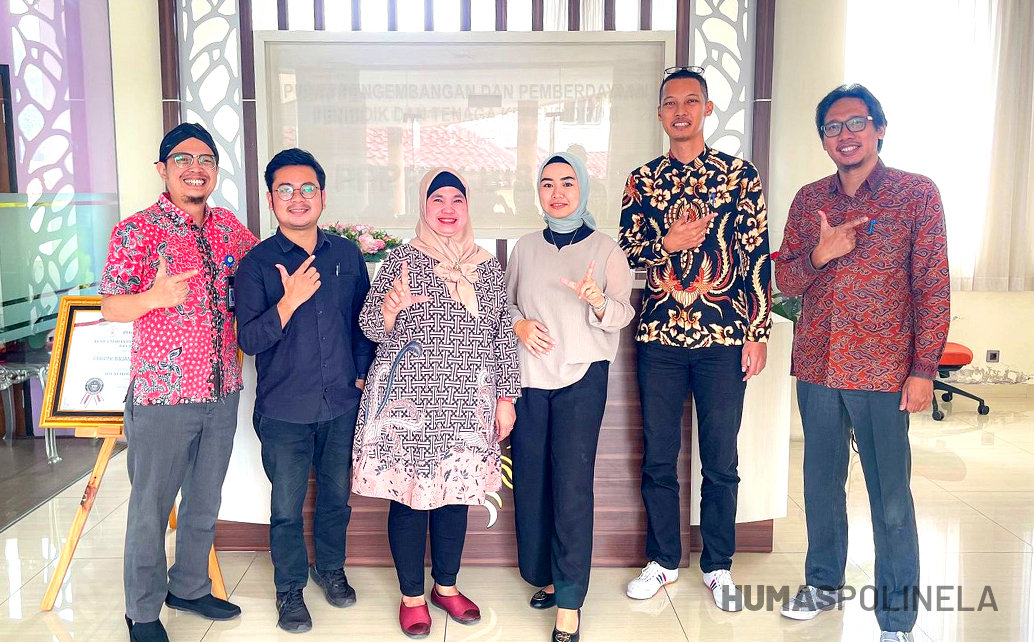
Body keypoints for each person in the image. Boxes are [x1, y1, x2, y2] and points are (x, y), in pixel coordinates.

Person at [774, 84, 949, 642]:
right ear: (823, 139)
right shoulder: (810, 201)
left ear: (879, 128)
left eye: (855, 123)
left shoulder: (916, 194)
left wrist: (924, 369)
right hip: (819, 366)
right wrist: (820, 253)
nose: (844, 136)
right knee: (821, 487)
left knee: (890, 497)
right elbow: (784, 280)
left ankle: (896, 618)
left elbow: (932, 287)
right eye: (832, 127)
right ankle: (823, 584)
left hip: (884, 369)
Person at [617, 67, 772, 611]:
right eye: (670, 102)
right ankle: (663, 561)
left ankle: (718, 564)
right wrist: (668, 241)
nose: (680, 111)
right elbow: (626, 253)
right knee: (659, 457)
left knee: (721, 460)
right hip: (659, 337)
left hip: (724, 338)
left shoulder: (740, 176)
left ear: (707, 109)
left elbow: (755, 256)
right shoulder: (641, 180)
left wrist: (758, 332)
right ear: (659, 113)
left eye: (690, 101)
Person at [99, 123, 257, 642]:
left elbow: (265, 268)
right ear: (162, 169)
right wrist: (155, 297)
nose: (196, 168)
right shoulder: (137, 230)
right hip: (162, 396)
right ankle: (142, 613)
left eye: (206, 159)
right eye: (183, 159)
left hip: (222, 390)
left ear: (215, 170)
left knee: (204, 499)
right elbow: (111, 306)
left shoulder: (229, 227)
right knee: (151, 507)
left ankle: (188, 586)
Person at [352, 168, 521, 639]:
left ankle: (446, 587)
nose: (448, 209)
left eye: (457, 200)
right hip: (407, 405)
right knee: (409, 499)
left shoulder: (487, 266)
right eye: (437, 199)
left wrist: (506, 398)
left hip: (467, 404)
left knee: (455, 497)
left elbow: (502, 338)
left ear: (468, 207)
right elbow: (368, 326)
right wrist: (390, 309)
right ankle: (412, 597)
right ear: (423, 207)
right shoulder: (401, 259)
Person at [234, 148, 375, 633]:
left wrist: (361, 372)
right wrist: (288, 302)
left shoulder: (347, 254)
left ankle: (330, 569)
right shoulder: (256, 264)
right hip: (284, 409)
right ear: (271, 199)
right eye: (286, 189)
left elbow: (363, 322)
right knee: (286, 509)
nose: (298, 198)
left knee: (336, 498)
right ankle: (289, 589)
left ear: (323, 196)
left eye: (307, 188)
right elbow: (249, 340)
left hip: (340, 403)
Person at [506, 152, 636, 642]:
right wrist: (519, 324)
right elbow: (505, 305)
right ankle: (547, 576)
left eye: (567, 182)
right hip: (529, 380)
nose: (557, 192)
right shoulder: (524, 248)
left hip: (581, 379)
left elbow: (621, 313)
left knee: (572, 487)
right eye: (547, 184)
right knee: (533, 482)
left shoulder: (606, 249)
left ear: (582, 188)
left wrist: (598, 300)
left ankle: (570, 602)